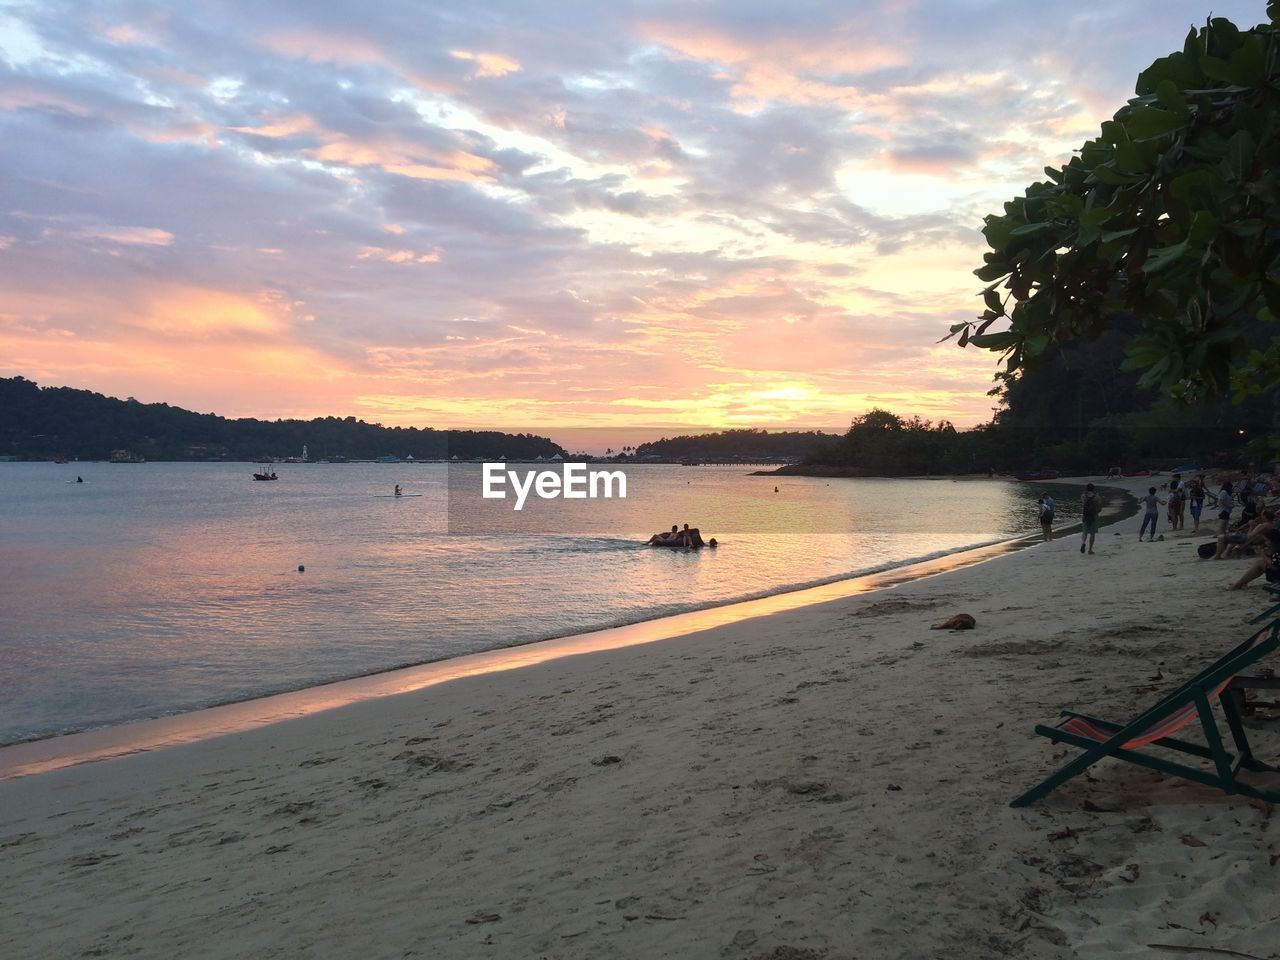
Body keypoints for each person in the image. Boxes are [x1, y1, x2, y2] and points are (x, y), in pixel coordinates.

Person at [1080, 483, 1101, 554]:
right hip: (1094, 516)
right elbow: (1099, 507)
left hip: (1085, 516)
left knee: (1084, 532)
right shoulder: (1096, 497)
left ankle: (1083, 543)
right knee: (1092, 533)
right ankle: (1090, 549)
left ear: (1086, 488)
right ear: (1093, 489)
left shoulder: (1083, 496)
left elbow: (1083, 504)